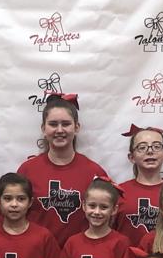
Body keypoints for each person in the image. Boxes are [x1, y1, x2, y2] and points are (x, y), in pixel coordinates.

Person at [17, 94, 107, 246]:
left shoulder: (94, 173)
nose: (59, 130)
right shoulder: (27, 170)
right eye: (53, 124)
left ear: (76, 127)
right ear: (43, 128)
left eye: (66, 124)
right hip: (38, 252)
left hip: (80, 254)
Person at [116, 124, 163, 246]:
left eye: (157, 146)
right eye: (142, 147)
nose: (150, 151)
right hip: (127, 257)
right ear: (131, 157)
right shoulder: (118, 192)